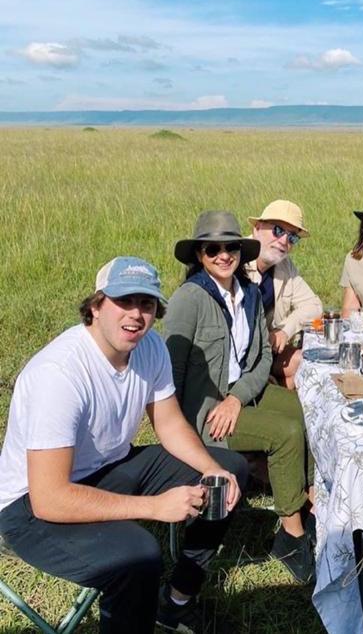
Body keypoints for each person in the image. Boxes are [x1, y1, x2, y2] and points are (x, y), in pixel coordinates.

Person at [0, 257, 246, 634]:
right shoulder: (60, 375)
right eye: (123, 301)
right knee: (139, 556)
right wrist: (155, 506)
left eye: (146, 304)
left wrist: (211, 468)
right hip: (29, 507)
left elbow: (169, 424)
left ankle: (176, 602)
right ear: (96, 306)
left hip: (107, 468)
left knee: (228, 470)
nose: (135, 315)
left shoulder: (149, 348)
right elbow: (48, 497)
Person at [164, 211, 316, 584]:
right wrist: (187, 433)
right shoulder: (190, 298)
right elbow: (170, 376)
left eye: (231, 247)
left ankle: (311, 502)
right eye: (212, 248)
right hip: (206, 416)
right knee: (285, 433)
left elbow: (262, 356)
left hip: (241, 394)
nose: (223, 255)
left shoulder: (247, 293)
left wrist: (237, 397)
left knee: (307, 411)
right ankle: (291, 533)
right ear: (199, 254)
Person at [246, 200, 322, 390]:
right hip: (243, 358)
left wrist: (284, 331)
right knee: (300, 380)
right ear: (257, 228)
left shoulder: (283, 265)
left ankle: (276, 388)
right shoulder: (235, 260)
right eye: (278, 230)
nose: (284, 241)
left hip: (268, 351)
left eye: (292, 237)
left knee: (310, 366)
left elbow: (314, 306)